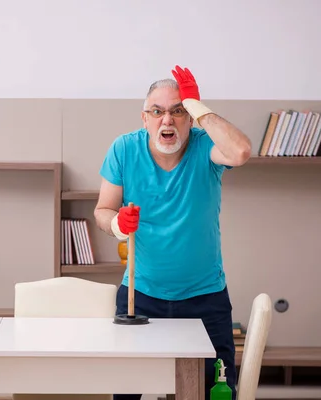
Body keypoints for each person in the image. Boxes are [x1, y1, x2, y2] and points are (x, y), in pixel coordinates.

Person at [93, 65, 251, 400]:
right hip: (141, 297)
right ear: (144, 118)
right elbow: (102, 210)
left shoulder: (205, 147)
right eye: (158, 111)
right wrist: (117, 225)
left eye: (178, 111)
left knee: (216, 393)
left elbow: (240, 151)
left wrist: (198, 105)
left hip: (206, 298)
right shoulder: (124, 149)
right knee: (127, 393)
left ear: (190, 118)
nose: (168, 120)